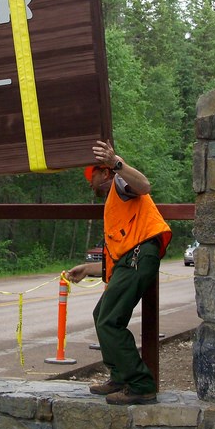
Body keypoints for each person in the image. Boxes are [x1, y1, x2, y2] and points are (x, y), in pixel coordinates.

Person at [67, 140, 172, 406]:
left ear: (104, 172)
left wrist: (117, 162)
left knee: (109, 320)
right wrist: (89, 269)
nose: (90, 184)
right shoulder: (113, 202)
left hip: (140, 256)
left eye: (91, 177)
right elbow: (118, 254)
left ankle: (140, 384)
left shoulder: (120, 183)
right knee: (101, 315)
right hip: (132, 258)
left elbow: (145, 185)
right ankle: (120, 376)